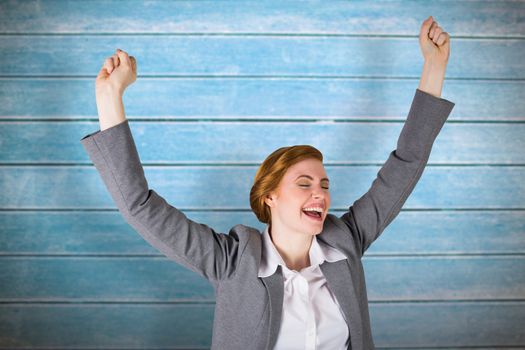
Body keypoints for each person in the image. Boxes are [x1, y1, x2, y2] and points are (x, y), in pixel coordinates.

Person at [80, 15, 455, 350]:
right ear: (270, 196)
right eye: (304, 183)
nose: (320, 194)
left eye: (324, 185)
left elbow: (405, 164)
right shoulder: (232, 262)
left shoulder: (346, 243)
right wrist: (109, 97)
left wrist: (434, 67)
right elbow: (139, 205)